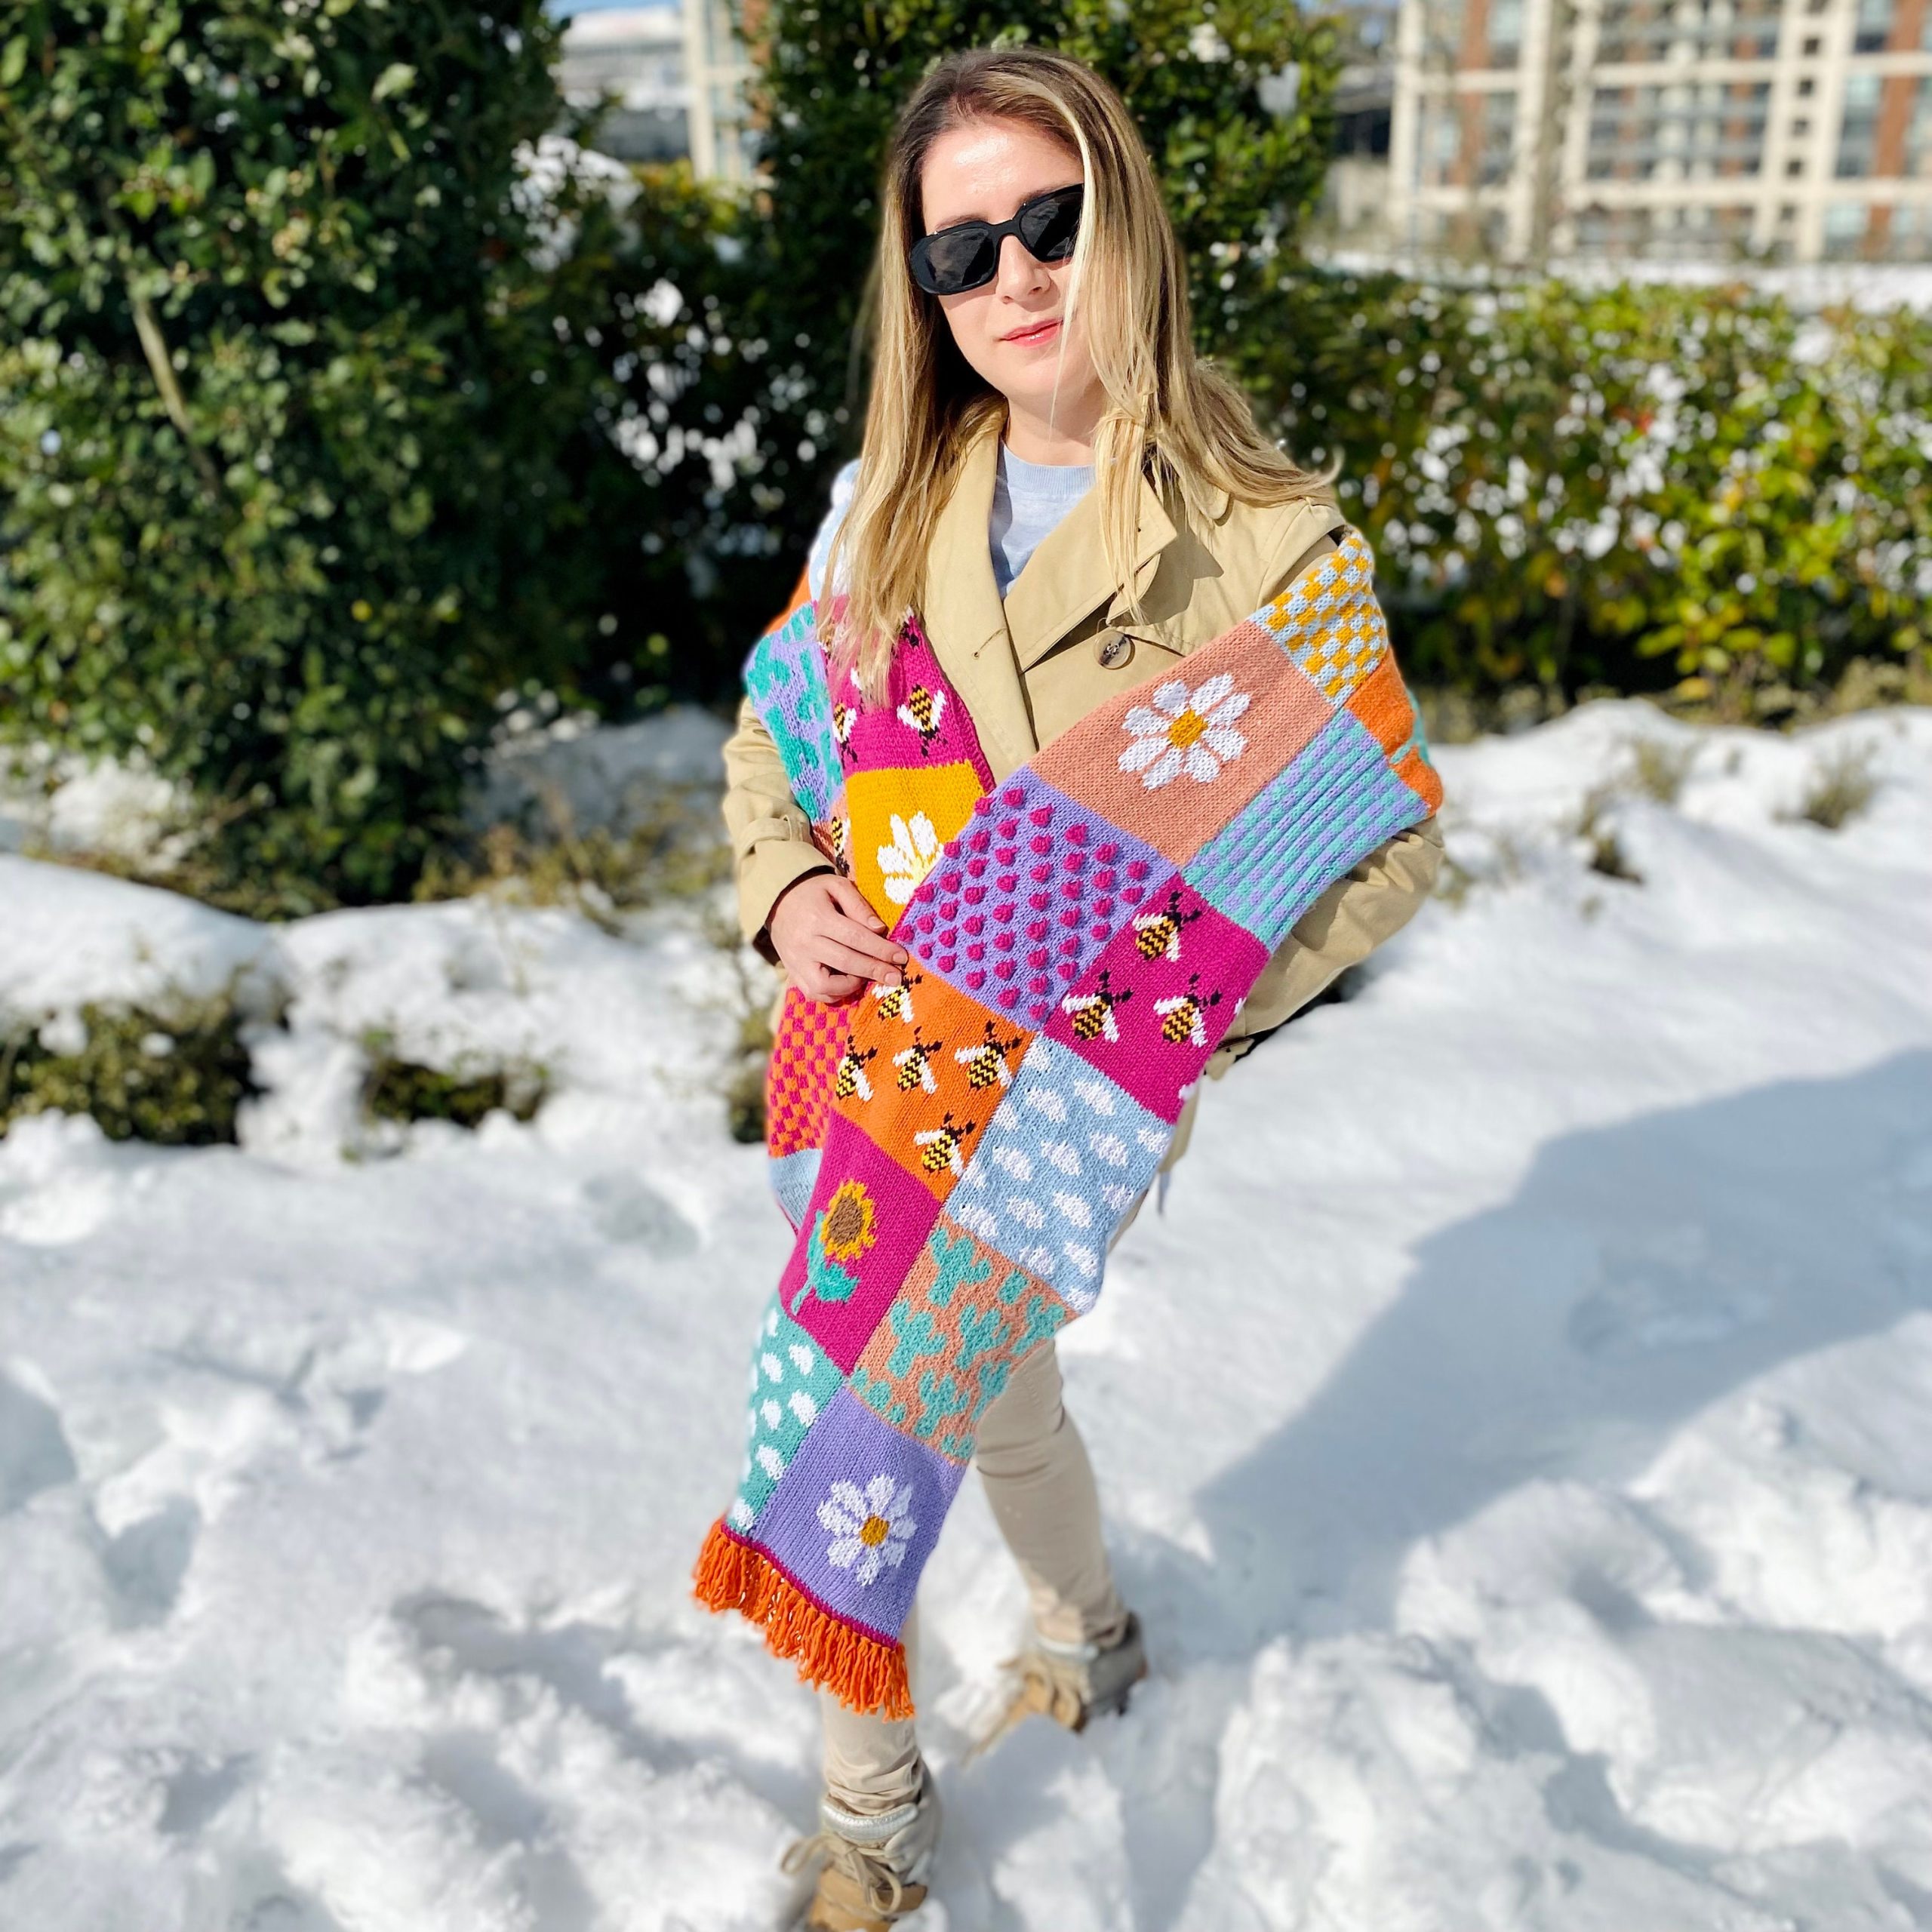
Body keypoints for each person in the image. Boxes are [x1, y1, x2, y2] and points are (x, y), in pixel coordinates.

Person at [720, 45, 1443, 1930]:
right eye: (960, 249)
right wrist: (784, 887)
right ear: (923, 288)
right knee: (984, 1394)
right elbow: (772, 735)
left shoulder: (1262, 539)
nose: (1015, 276)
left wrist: (1175, 1008)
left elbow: (1381, 835)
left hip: (1058, 1099)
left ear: (1126, 220)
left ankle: (867, 1814)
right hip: (856, 1051)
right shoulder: (889, 500)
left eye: (1050, 221)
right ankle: (1088, 1622)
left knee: (874, 1400)